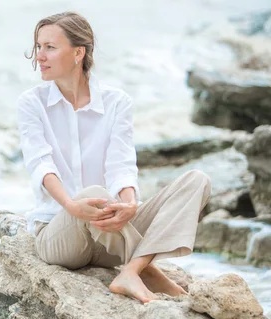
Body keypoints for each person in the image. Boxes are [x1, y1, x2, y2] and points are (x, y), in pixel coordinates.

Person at [17, 11, 212, 303]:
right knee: (94, 193)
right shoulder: (31, 103)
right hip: (61, 236)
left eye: (50, 47)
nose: (39, 56)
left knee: (197, 180)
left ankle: (132, 269)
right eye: (38, 46)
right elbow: (40, 165)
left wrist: (130, 204)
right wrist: (72, 205)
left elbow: (121, 164)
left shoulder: (117, 102)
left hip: (109, 231)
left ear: (78, 53)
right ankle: (146, 268)